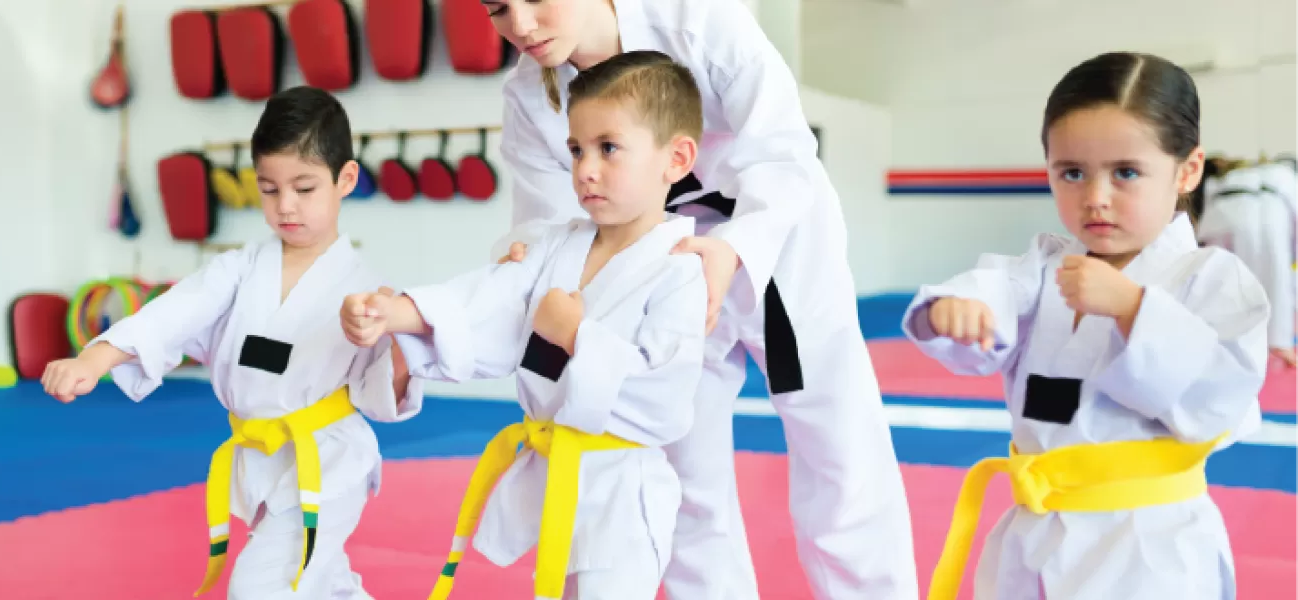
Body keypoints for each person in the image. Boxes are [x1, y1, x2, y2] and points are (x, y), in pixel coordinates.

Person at [480, 1, 918, 598]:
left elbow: (781, 148)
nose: (521, 25)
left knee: (837, 444)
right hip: (650, 269)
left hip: (775, 245)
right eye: (497, 8)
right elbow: (547, 231)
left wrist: (735, 250)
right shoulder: (529, 96)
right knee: (680, 466)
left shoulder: (696, 18)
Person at [341, 50, 709, 599]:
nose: (585, 168)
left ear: (676, 159)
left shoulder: (680, 270)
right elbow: (488, 301)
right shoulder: (556, 245)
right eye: (577, 149)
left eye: (608, 148)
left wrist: (576, 335)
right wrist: (398, 314)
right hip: (559, 472)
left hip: (623, 493)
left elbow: (665, 393)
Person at [904, 52, 1269, 600]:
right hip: (1035, 533)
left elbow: (1221, 399)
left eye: (1126, 172)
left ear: (1187, 170)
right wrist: (955, 309)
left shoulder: (1211, 279)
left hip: (1149, 545)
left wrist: (1134, 309)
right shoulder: (1044, 266)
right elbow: (996, 288)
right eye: (1072, 172)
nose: (1095, 197)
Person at [40, 87, 421, 600]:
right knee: (324, 582)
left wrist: (392, 336)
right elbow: (176, 311)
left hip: (329, 465)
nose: (285, 206)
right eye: (269, 189)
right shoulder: (238, 269)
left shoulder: (363, 289)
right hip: (262, 457)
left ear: (345, 179)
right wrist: (97, 356)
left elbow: (387, 390)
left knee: (259, 586)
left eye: (304, 188)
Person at [1195, 159, 1298, 367]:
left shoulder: (1228, 176)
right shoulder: (1285, 175)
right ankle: (1280, 345)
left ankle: (1213, 340)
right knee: (1277, 280)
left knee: (1219, 281)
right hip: (1268, 216)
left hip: (1221, 217)